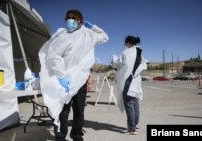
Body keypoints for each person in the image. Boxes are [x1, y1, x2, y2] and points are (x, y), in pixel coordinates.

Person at [38, 9, 109, 141]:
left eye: (72, 18)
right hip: (64, 79)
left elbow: (104, 37)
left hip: (81, 79)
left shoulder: (88, 34)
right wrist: (61, 76)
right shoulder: (62, 36)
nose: (69, 21)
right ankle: (60, 136)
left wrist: (93, 27)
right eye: (68, 18)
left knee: (79, 110)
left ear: (79, 20)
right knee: (62, 111)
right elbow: (53, 56)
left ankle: (77, 135)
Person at [112, 35, 148, 135]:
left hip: (128, 81)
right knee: (135, 103)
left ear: (128, 42)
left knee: (129, 104)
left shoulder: (126, 52)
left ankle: (131, 129)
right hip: (136, 81)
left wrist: (114, 61)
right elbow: (143, 64)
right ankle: (135, 125)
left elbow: (122, 65)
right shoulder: (140, 52)